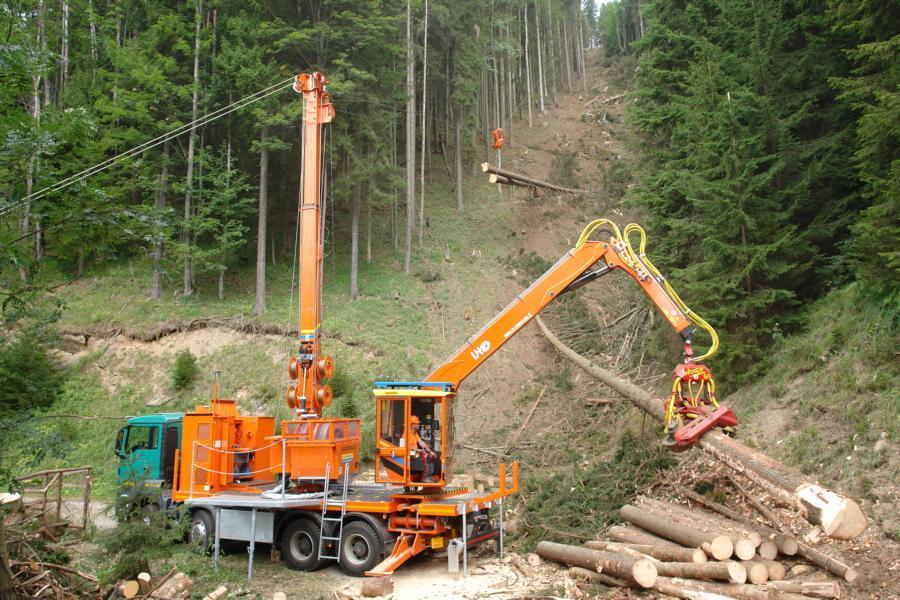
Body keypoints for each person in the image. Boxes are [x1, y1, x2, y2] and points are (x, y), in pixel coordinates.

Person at [410, 415, 437, 481]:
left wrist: (430, 451)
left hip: (415, 452)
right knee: (426, 456)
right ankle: (425, 477)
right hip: (410, 453)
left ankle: (429, 475)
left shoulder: (415, 434)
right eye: (417, 424)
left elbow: (421, 443)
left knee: (430, 455)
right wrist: (422, 451)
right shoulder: (407, 434)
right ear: (413, 425)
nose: (419, 425)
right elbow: (410, 448)